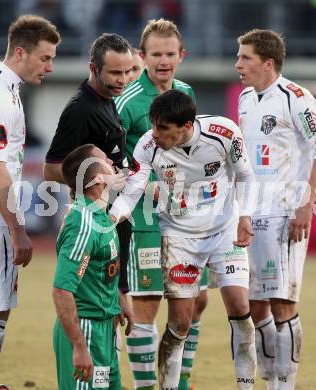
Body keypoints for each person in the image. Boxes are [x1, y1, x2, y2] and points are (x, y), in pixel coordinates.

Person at [110, 90, 258, 390]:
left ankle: (246, 386)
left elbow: (245, 175)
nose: (155, 133)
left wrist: (246, 216)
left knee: (241, 308)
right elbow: (132, 192)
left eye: (162, 128)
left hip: (224, 230)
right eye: (153, 125)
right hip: (178, 237)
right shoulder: (148, 146)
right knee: (180, 323)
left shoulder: (224, 132)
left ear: (186, 125)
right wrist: (108, 219)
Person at [235, 29, 316, 390]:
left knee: (282, 303)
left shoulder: (297, 98)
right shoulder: (246, 99)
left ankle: (285, 384)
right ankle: (267, 376)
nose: (238, 65)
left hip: (284, 215)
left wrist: (305, 205)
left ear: (268, 62)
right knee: (254, 305)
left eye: (245, 58)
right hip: (251, 214)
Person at [114, 19, 208, 390]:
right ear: (143, 57)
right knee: (148, 303)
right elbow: (118, 159)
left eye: (170, 53)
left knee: (195, 301)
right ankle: (146, 387)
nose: (164, 60)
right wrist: (148, 184)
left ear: (181, 56)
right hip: (145, 218)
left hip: (187, 215)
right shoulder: (127, 101)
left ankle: (179, 382)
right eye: (156, 54)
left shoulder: (185, 92)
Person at [0, 15, 60, 390]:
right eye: (45, 58)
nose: (50, 67)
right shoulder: (0, 94)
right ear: (21, 52)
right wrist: (18, 228)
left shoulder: (8, 88)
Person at [43, 32, 133, 313]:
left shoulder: (108, 98)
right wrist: (101, 177)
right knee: (98, 308)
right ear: (94, 69)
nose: (123, 79)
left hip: (113, 216)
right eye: (115, 72)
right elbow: (51, 170)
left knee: (114, 310)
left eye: (127, 71)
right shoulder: (80, 110)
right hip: (96, 221)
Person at [52, 144, 128, 389]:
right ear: (97, 179)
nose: (113, 163)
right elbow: (62, 290)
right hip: (86, 330)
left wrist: (118, 301)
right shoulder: (83, 224)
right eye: (107, 160)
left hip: (105, 330)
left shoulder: (101, 215)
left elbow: (97, 268)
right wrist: (79, 347)